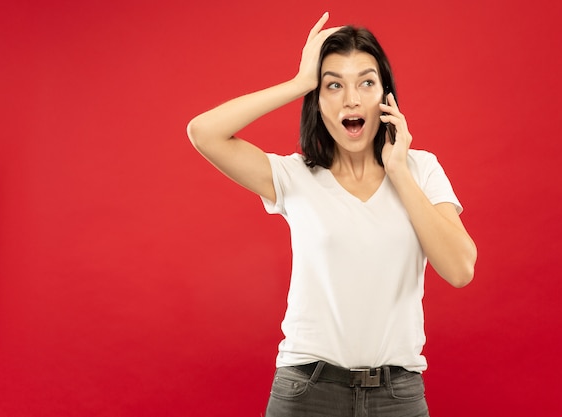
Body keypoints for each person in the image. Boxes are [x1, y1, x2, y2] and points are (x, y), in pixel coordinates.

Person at [187, 12, 477, 417]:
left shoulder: (421, 169)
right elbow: (203, 132)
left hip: (398, 396)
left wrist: (398, 170)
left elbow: (461, 268)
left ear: (386, 97)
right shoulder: (294, 175)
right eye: (334, 85)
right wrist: (299, 82)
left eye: (366, 83)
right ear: (318, 102)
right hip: (306, 392)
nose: (352, 99)